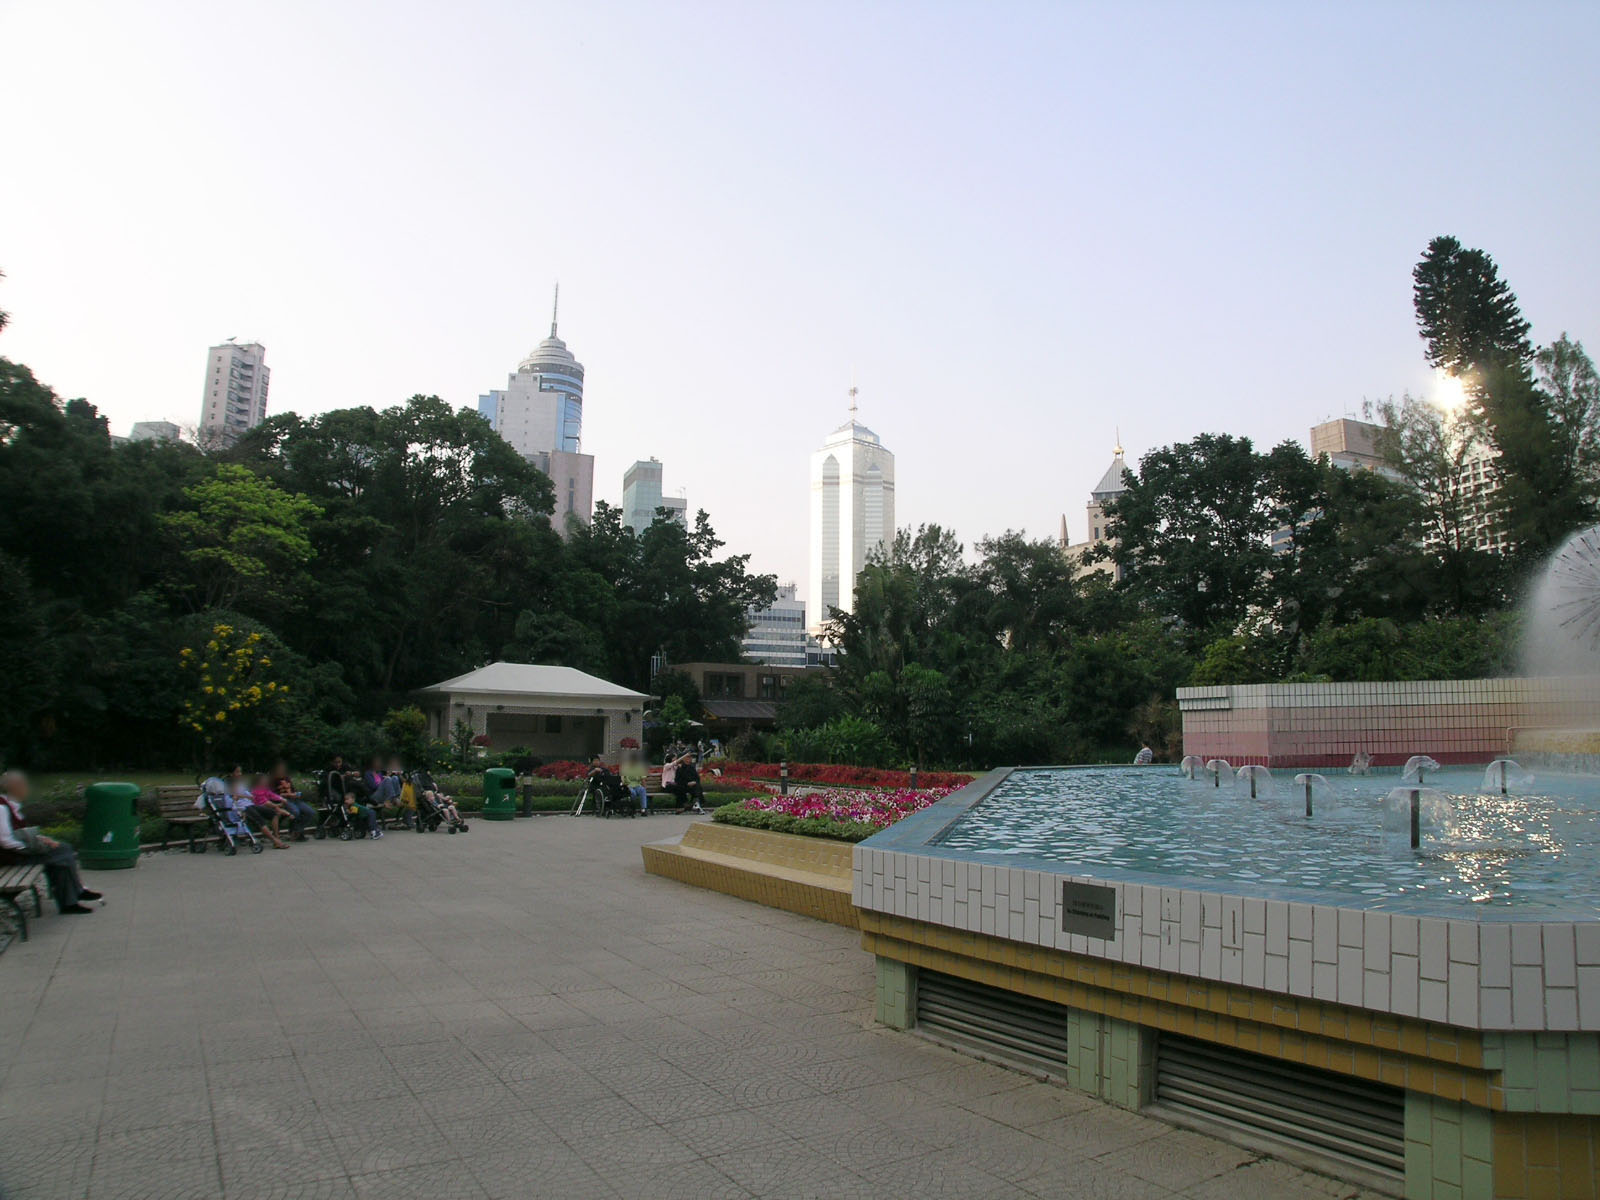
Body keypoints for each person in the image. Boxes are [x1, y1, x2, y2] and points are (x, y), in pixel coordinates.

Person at [0, 770, 102, 915]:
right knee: (63, 853)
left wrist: (41, 839)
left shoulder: (10, 805)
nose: (26, 788)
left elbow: (20, 833)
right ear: (13, 787)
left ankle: (71, 899)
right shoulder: (1, 808)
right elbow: (5, 841)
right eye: (23, 785)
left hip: (16, 852)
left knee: (61, 855)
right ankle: (74, 896)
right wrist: (31, 847)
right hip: (11, 857)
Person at [268, 761, 317, 839]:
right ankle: (293, 832)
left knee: (310, 812)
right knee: (295, 811)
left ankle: (298, 831)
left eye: (283, 769)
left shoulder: (287, 778)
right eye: (280, 769)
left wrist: (296, 794)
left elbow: (293, 789)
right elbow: (273, 795)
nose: (282, 771)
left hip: (294, 799)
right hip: (283, 801)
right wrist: (287, 795)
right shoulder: (272, 781)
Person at [247, 773, 291, 849]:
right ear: (259, 781)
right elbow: (264, 802)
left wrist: (281, 799)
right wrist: (277, 806)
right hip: (257, 807)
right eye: (264, 780)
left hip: (265, 807)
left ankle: (276, 837)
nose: (266, 782)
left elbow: (272, 795)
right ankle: (276, 839)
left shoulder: (265, 789)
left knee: (275, 813)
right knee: (277, 811)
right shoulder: (256, 790)